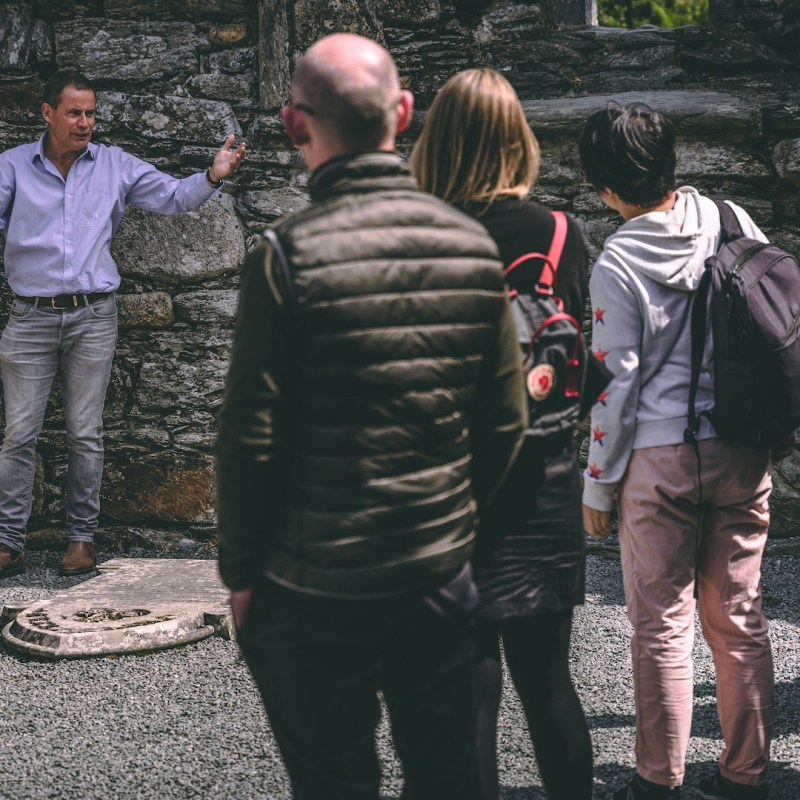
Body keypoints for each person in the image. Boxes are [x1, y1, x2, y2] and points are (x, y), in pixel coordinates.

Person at [214, 34, 527, 800]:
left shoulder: (283, 257)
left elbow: (250, 436)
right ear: (405, 113)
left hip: (312, 581)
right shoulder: (470, 246)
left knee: (334, 784)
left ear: (294, 123)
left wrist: (242, 575)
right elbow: (503, 423)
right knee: (449, 781)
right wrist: (458, 530)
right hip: (434, 570)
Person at [579, 102, 774, 800]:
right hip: (742, 450)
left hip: (659, 461)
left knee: (662, 626)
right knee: (740, 617)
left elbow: (615, 388)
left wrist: (597, 486)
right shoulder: (731, 220)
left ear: (605, 186)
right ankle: (746, 776)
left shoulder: (617, 261)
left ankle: (656, 782)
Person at [410, 67, 594, 800]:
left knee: (468, 689)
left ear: (437, 140)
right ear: (518, 139)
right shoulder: (560, 233)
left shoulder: (420, 233)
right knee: (549, 682)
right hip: (542, 482)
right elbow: (577, 356)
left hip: (447, 487)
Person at [0, 69, 246, 579]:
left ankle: (81, 540)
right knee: (19, 434)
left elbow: (173, 197)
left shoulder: (114, 165)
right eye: (74, 112)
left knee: (84, 432)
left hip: (93, 316)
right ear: (47, 113)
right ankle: (8, 544)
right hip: (30, 318)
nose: (85, 122)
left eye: (91, 113)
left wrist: (213, 174)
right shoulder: (12, 167)